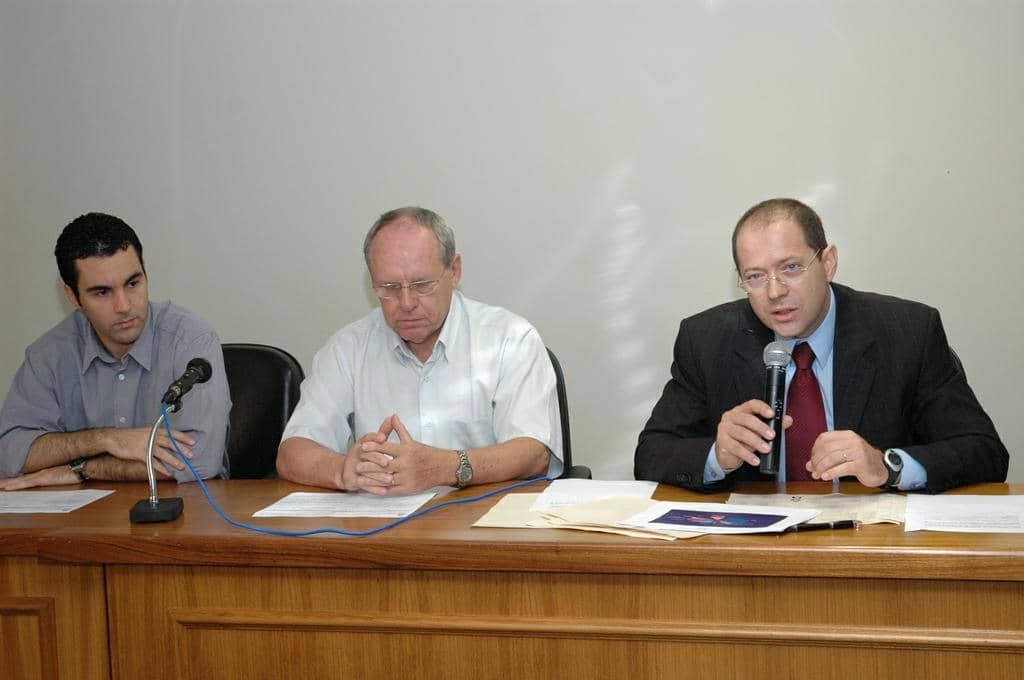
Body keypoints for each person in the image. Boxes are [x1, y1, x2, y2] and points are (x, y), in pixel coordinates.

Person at [634, 198, 1007, 494]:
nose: (776, 291)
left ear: (828, 262)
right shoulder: (706, 339)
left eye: (792, 268)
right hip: (756, 557)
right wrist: (718, 455)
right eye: (756, 277)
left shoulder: (908, 332)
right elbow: (651, 454)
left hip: (872, 554)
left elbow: (984, 452)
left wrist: (887, 466)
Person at [277, 206, 561, 495]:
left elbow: (534, 452)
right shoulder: (347, 348)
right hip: (382, 530)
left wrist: (445, 467)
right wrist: (342, 470)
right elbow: (292, 452)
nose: (406, 302)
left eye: (422, 285)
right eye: (389, 287)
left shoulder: (510, 339)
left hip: (481, 526)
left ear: (455, 271)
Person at [0, 213, 230, 489]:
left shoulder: (190, 341)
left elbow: (200, 460)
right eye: (102, 293)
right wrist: (105, 439)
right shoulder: (49, 354)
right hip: (83, 521)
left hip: (182, 515)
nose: (123, 305)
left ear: (145, 271)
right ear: (73, 296)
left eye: (133, 283)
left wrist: (82, 469)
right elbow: (10, 454)